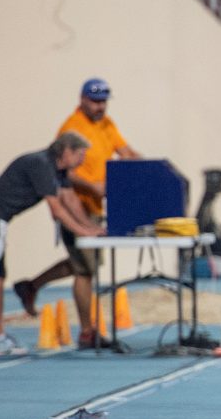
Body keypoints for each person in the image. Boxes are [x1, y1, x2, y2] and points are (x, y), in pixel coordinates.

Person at [12, 78, 141, 348]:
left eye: (104, 101)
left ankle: (32, 286)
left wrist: (150, 168)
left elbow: (125, 151)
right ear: (82, 99)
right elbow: (64, 170)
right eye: (95, 101)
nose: (100, 106)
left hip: (96, 207)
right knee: (85, 270)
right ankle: (86, 331)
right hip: (76, 205)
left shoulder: (106, 124)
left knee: (81, 263)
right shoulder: (71, 128)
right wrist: (92, 186)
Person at [0, 132, 103, 357]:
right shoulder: (41, 165)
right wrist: (82, 232)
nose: (82, 160)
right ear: (66, 151)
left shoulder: (58, 171)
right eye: (80, 154)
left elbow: (70, 200)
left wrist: (91, 228)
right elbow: (56, 209)